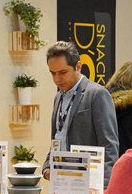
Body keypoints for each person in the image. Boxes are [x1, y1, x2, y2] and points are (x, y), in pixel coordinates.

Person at [43, 40, 119, 184]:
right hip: (61, 181)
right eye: (53, 73)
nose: (57, 79)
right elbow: (58, 137)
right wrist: (47, 166)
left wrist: (105, 185)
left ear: (78, 67)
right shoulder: (58, 97)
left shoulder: (97, 94)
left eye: (63, 72)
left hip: (89, 182)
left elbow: (109, 145)